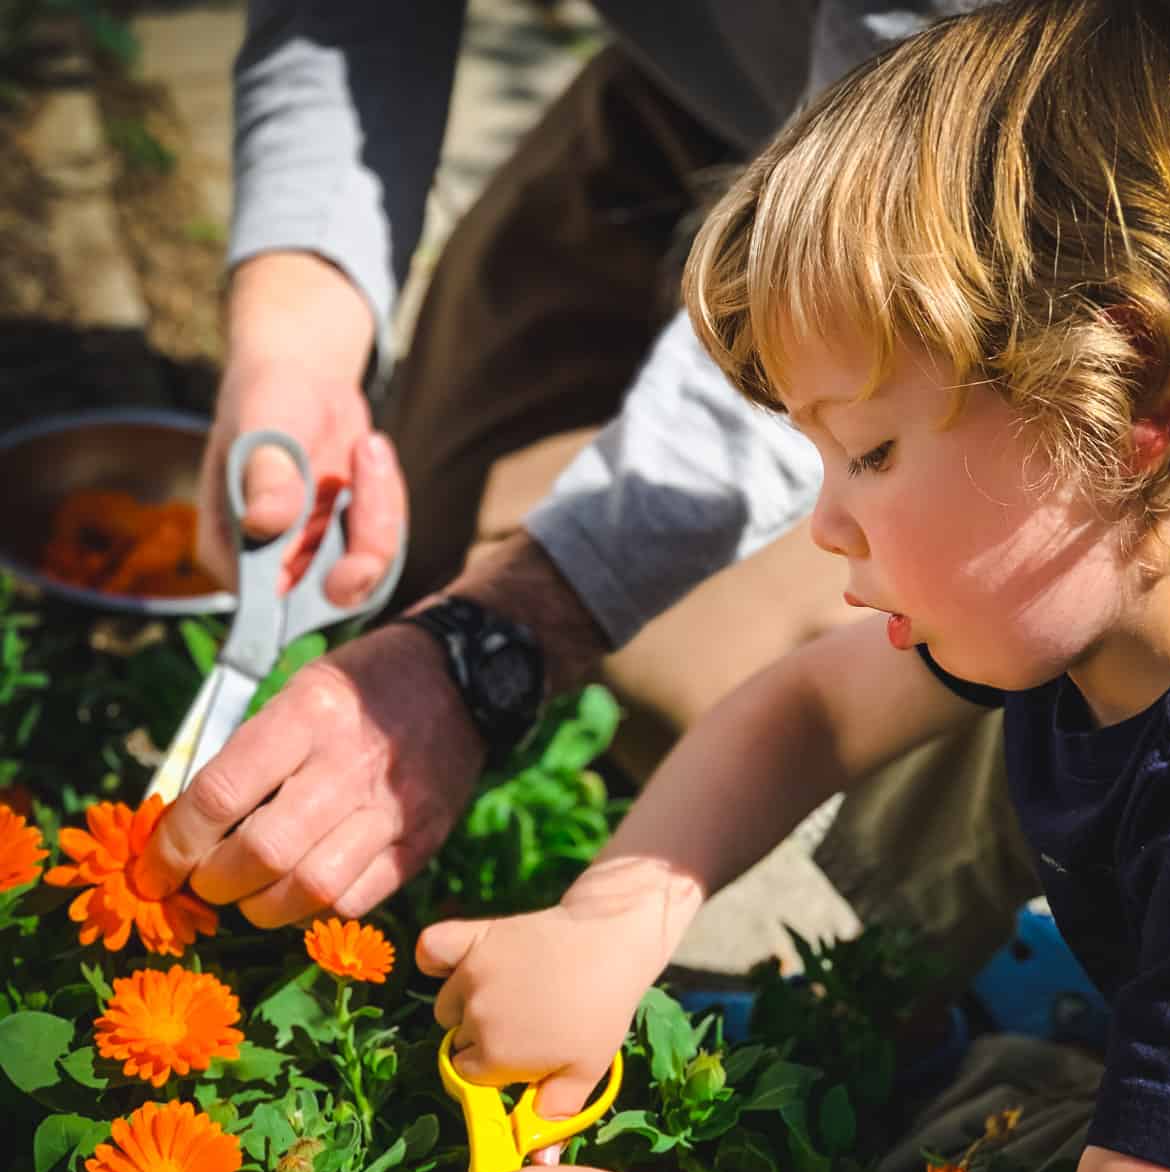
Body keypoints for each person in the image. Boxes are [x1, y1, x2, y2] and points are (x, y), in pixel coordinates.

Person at [417, 0, 1170, 1172]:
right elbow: (810, 710)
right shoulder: (1080, 575)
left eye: (875, 451)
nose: (825, 524)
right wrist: (612, 925)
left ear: (1129, 388)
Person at [137, 1, 1036, 989]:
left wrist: (494, 650)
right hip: (703, 89)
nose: (830, 515)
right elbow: (345, 24)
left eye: (861, 459)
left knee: (677, 664)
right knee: (420, 552)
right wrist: (298, 342)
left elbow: (900, 221)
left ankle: (923, 980)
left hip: (991, 188)